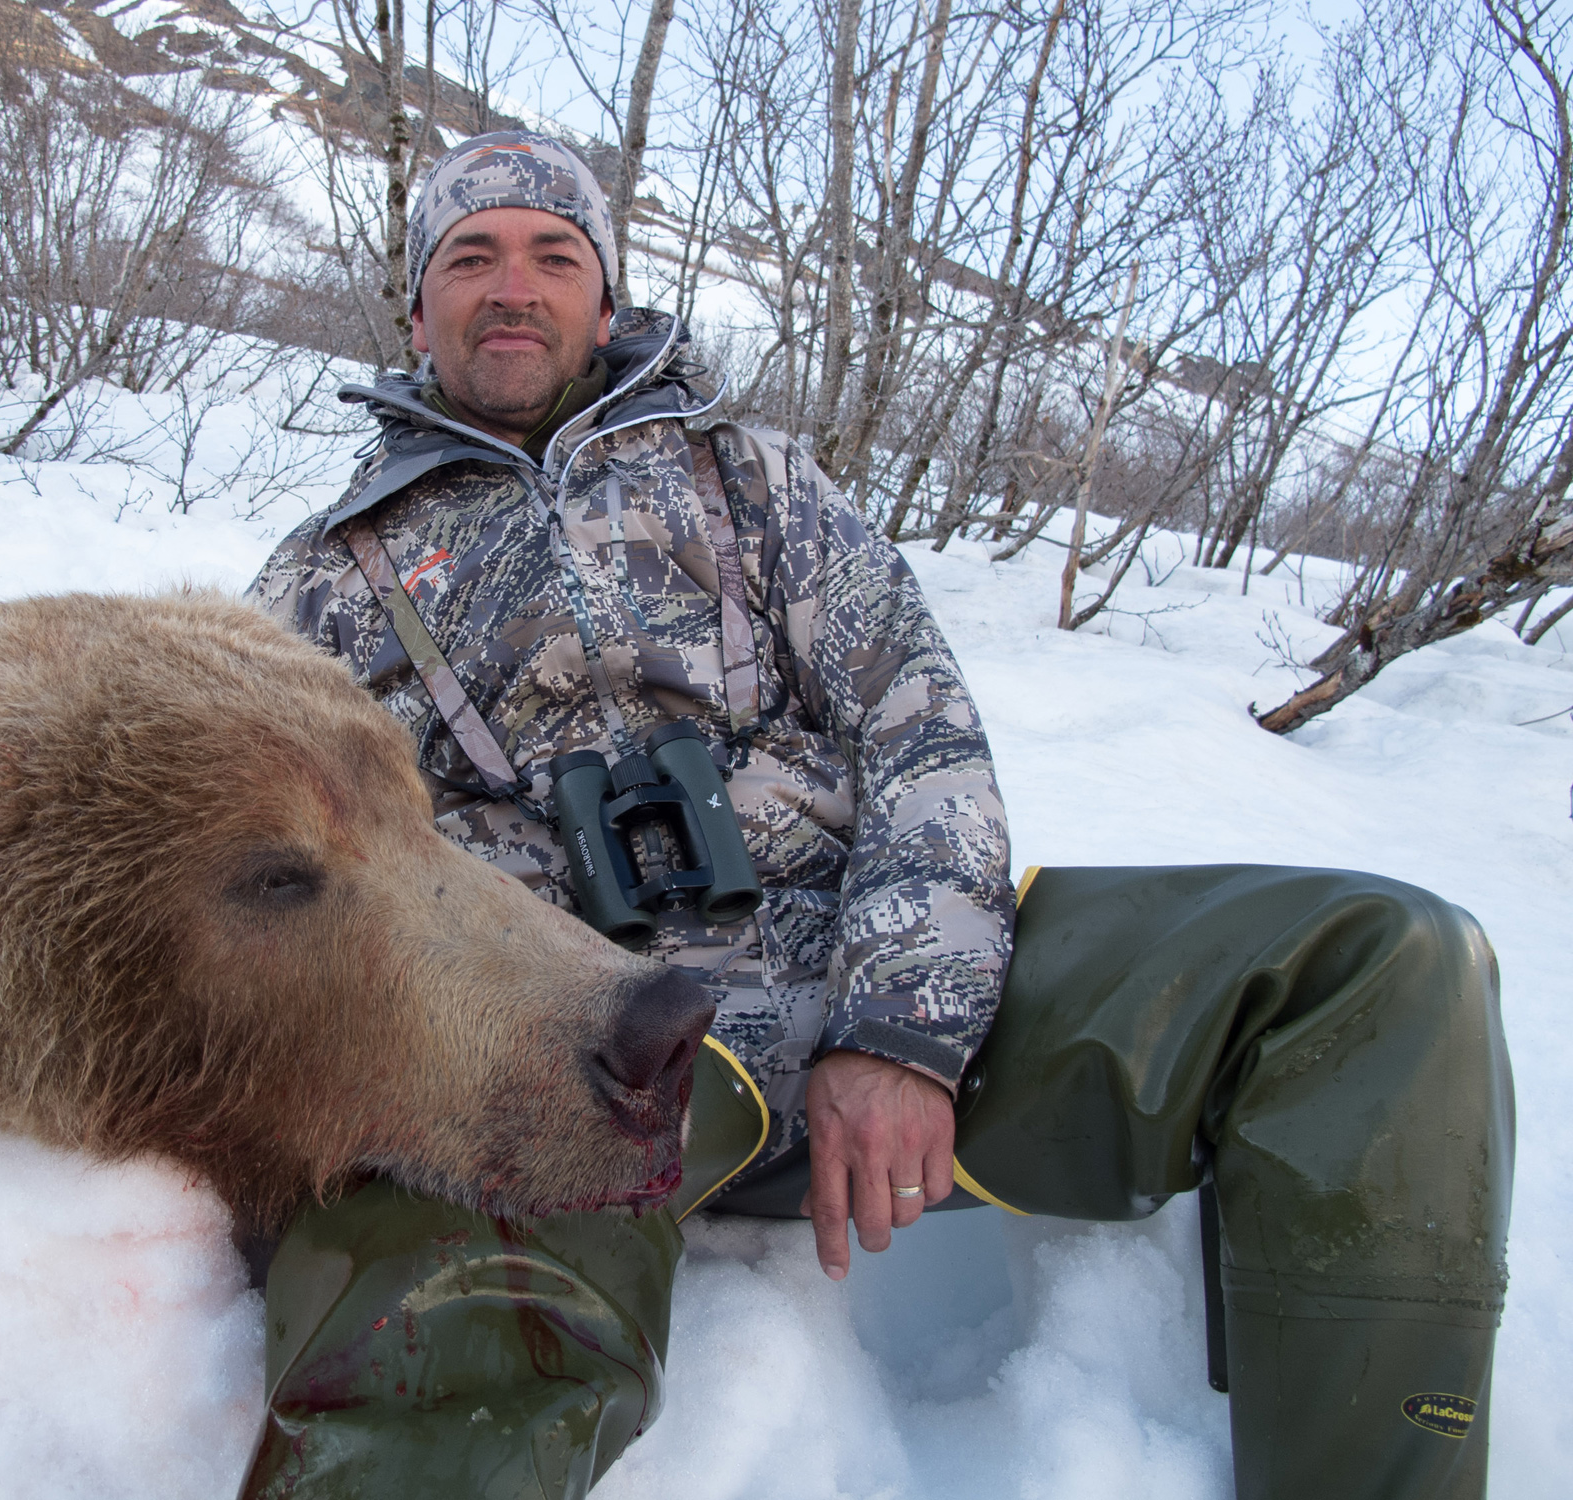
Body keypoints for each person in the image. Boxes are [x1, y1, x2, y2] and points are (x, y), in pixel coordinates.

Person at [238, 131, 1512, 1500]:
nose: (513, 286)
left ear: (605, 303)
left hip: (872, 961)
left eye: (555, 257)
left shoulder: (756, 481)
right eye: (470, 257)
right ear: (415, 305)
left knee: (1374, 965)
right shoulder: (320, 583)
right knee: (420, 1305)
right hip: (581, 1047)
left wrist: (905, 1023)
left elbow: (922, 726)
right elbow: (291, 875)